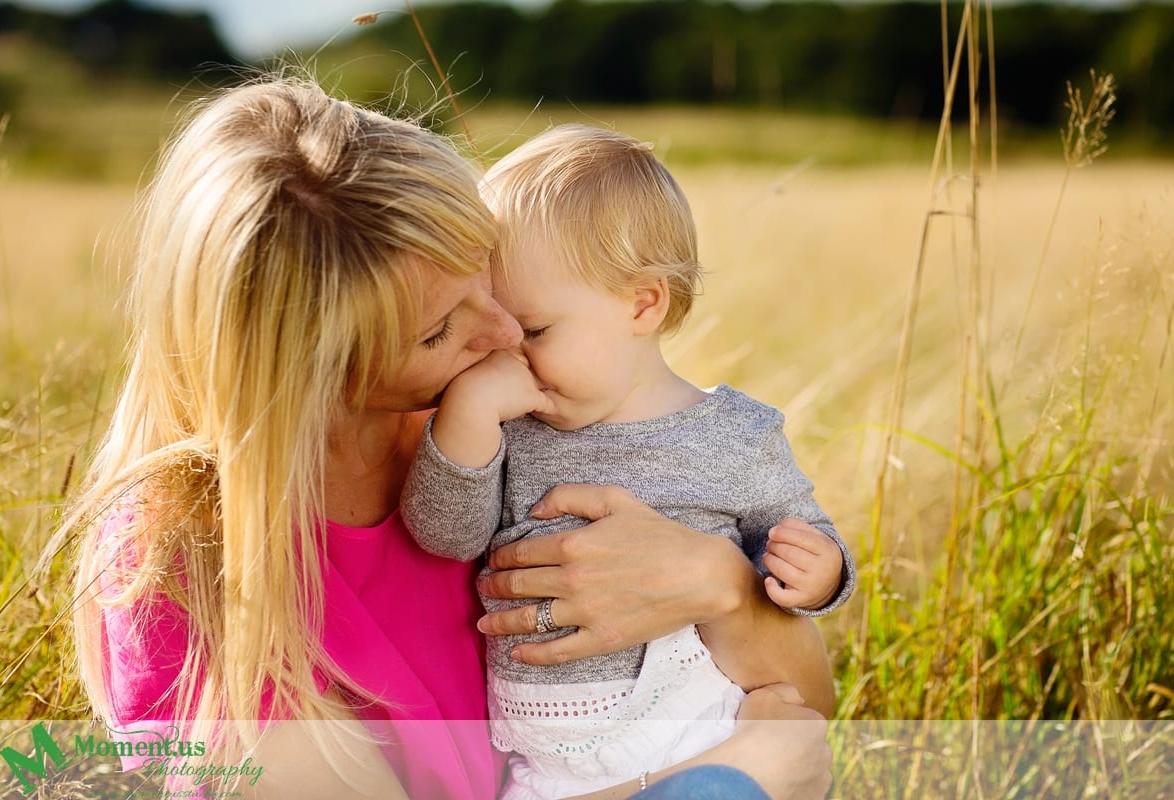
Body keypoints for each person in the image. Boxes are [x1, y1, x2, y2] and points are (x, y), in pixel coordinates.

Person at [58, 75, 835, 800]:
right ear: (309, 373)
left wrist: (721, 586)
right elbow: (781, 754)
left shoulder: (513, 424)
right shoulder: (177, 577)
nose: (502, 334)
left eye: (485, 280)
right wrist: (719, 777)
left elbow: (807, 709)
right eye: (439, 330)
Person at [400, 124, 855, 800]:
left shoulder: (734, 433)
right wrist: (465, 421)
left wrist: (820, 574)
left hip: (699, 729)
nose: (507, 353)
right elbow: (446, 534)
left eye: (535, 330)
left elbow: (799, 540)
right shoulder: (511, 427)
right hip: (545, 769)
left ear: (642, 303)